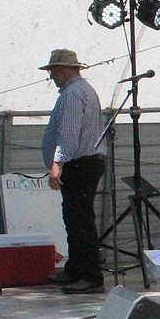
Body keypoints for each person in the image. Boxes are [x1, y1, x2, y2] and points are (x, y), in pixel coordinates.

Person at [39, 49, 107, 294]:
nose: (52, 77)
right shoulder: (83, 90)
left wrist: (58, 164)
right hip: (86, 162)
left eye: (54, 71)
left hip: (80, 163)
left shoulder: (72, 94)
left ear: (63, 69)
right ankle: (76, 269)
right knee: (75, 218)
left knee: (79, 221)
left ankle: (89, 275)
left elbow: (69, 132)